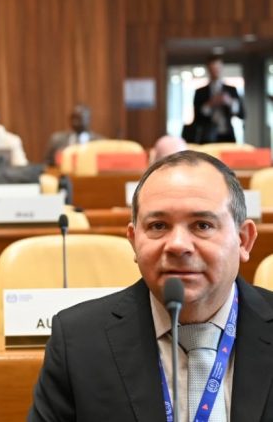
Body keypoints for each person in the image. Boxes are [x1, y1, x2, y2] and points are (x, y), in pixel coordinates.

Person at [28, 150, 273, 421]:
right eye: (158, 226)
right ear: (134, 241)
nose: (178, 245)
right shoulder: (78, 341)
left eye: (202, 225)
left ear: (243, 240)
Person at [182, 56, 245, 144]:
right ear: (208, 69)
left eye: (218, 68)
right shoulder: (200, 92)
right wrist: (210, 104)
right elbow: (197, 117)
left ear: (222, 68)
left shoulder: (231, 90)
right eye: (213, 68)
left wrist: (230, 102)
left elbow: (242, 114)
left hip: (228, 135)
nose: (216, 71)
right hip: (207, 135)